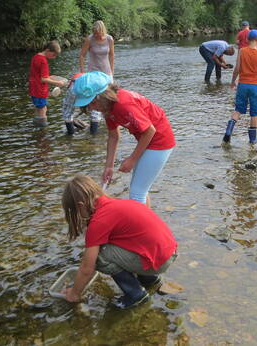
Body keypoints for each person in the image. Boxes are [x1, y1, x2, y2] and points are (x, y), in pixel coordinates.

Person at [60, 174, 177, 309]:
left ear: (81, 205)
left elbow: (87, 268)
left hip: (158, 263)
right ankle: (149, 279)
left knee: (99, 256)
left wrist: (74, 293)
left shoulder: (99, 221)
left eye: (76, 212)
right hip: (169, 252)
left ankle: (135, 294)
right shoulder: (117, 203)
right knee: (119, 243)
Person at [73, 72, 175, 207]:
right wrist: (109, 166)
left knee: (137, 193)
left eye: (91, 103)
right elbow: (113, 135)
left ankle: (140, 227)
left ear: (101, 96)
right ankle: (148, 221)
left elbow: (150, 131)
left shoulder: (123, 104)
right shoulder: (107, 108)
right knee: (140, 189)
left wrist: (132, 159)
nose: (91, 108)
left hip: (160, 140)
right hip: (148, 139)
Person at [223, 29, 257, 144]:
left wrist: (233, 82)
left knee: (238, 110)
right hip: (255, 86)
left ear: (247, 40)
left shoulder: (242, 51)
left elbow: (237, 69)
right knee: (254, 113)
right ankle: (252, 140)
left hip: (242, 85)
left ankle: (228, 130)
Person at [79, 20, 115, 134]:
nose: (96, 35)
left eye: (97, 33)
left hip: (106, 73)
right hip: (93, 74)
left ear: (102, 30)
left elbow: (112, 55)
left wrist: (112, 73)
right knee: (95, 100)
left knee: (109, 100)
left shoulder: (109, 39)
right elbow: (81, 55)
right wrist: (83, 73)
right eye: (94, 33)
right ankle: (94, 128)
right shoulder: (90, 39)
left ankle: (110, 125)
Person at [28, 41, 66, 127]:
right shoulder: (44, 61)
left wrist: (50, 77)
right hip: (40, 90)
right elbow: (43, 79)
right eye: (54, 55)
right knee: (43, 109)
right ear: (48, 50)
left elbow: (37, 75)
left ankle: (36, 127)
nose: (54, 57)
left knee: (38, 108)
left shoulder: (36, 57)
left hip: (33, 88)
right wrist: (58, 82)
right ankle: (43, 130)